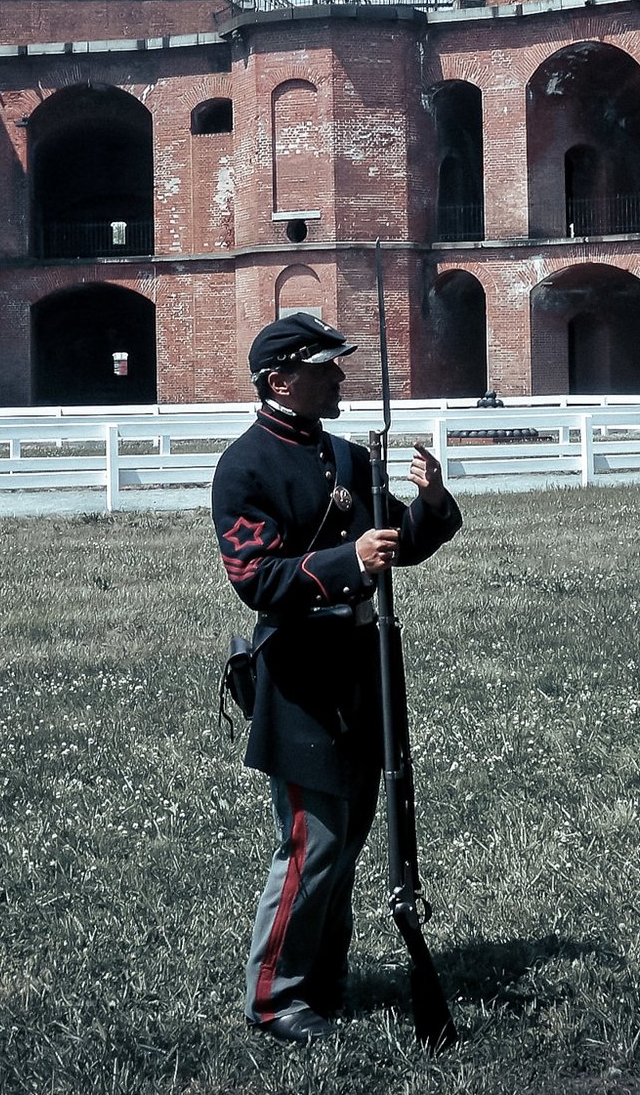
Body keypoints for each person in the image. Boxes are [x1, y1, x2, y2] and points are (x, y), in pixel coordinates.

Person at [211, 314, 463, 1045]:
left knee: (346, 845)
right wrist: (349, 560)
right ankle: (273, 998)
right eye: (326, 368)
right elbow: (257, 581)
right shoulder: (245, 466)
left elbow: (396, 547)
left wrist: (431, 508)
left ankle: (323, 983)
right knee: (311, 845)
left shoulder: (348, 456)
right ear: (281, 379)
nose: (340, 377)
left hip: (362, 676)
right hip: (299, 685)